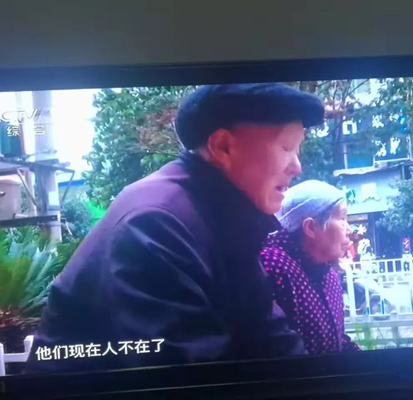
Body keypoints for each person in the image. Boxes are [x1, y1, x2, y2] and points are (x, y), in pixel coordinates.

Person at [25, 83, 325, 374]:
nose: (297, 166)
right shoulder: (157, 224)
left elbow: (269, 335)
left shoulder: (223, 217)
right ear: (223, 146)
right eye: (287, 147)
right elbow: (181, 375)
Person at [260, 180, 360, 354]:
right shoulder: (273, 265)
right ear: (311, 227)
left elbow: (338, 340)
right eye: (342, 218)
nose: (349, 229)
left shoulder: (329, 274)